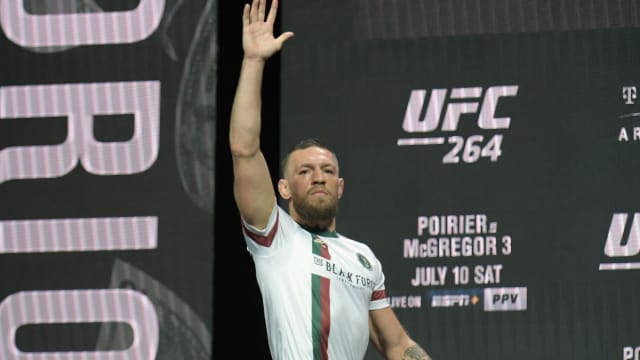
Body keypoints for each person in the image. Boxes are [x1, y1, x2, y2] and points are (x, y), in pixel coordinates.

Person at [229, 0, 433, 359]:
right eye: (304, 172)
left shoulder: (363, 258)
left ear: (340, 186)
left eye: (327, 172)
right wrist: (254, 62)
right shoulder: (273, 235)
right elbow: (244, 149)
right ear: (284, 188)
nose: (318, 178)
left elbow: (397, 345)